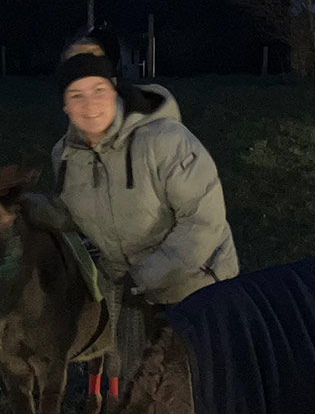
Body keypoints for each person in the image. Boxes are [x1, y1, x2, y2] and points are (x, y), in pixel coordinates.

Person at [51, 46, 239, 383]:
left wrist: (145, 277)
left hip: (196, 285)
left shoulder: (165, 140)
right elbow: (68, 218)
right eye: (76, 95)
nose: (90, 104)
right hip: (134, 296)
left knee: (203, 386)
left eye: (98, 90)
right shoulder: (65, 158)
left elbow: (203, 221)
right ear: (65, 105)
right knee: (141, 390)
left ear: (114, 89)